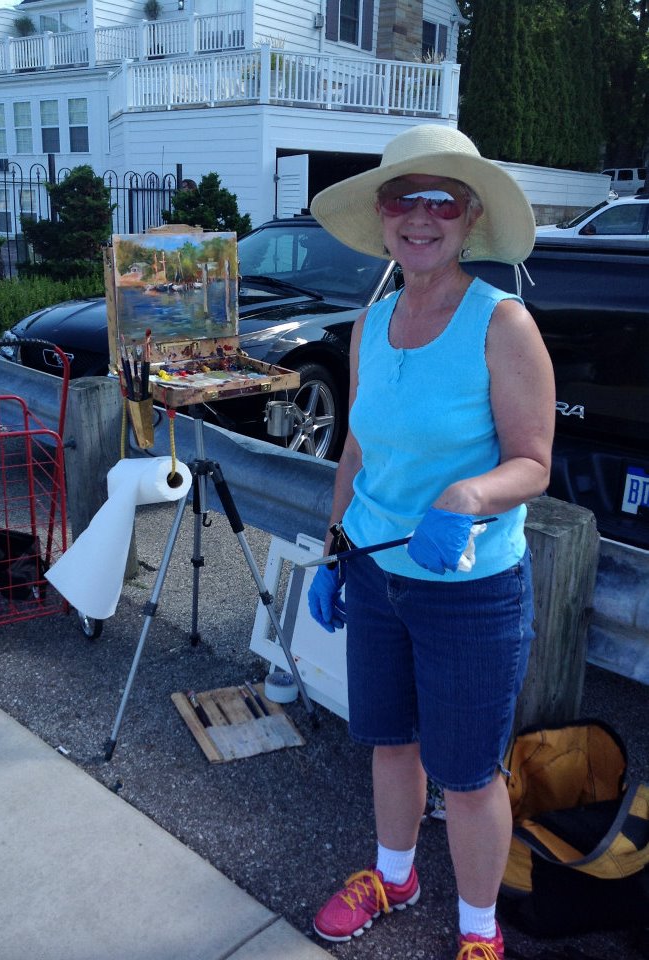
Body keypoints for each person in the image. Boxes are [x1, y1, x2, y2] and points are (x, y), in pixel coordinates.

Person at [306, 125, 555, 960]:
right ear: (380, 215)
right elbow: (355, 447)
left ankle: (479, 932)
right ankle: (393, 875)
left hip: (472, 590)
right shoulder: (369, 322)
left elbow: (533, 463)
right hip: (376, 577)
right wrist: (334, 546)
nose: (419, 218)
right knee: (389, 741)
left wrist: (468, 494)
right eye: (401, 199)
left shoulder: (502, 322)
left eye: (440, 201)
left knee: (468, 773)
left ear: (468, 216)